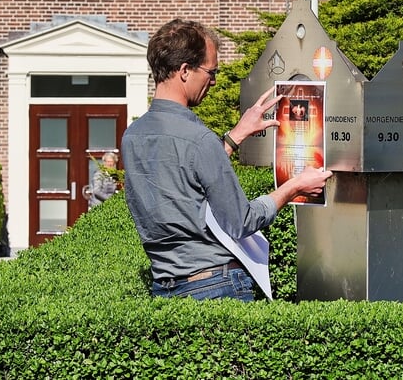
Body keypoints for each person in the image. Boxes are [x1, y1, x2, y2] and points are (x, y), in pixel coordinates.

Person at [122, 19, 332, 301]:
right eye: (211, 71)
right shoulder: (199, 139)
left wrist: (235, 136)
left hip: (165, 289)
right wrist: (294, 186)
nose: (215, 80)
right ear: (185, 71)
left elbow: (185, 179)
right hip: (216, 287)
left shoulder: (132, 137)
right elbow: (241, 221)